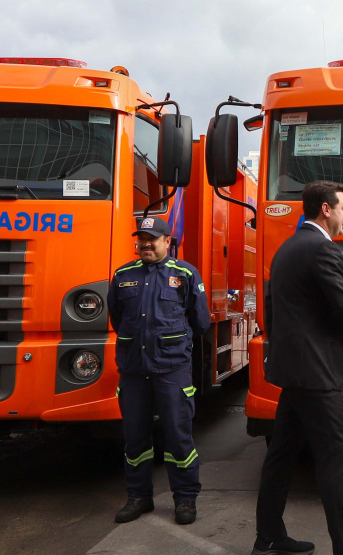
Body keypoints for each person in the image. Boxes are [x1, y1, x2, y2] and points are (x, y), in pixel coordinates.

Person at [252, 181, 343, 555]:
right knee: (335, 461)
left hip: (293, 370)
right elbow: (341, 302)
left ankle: (268, 538)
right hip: (316, 374)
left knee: (281, 457)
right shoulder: (322, 248)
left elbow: (273, 309)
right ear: (326, 209)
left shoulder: (288, 247)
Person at [107, 216, 210, 525]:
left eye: (153, 238)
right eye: (142, 238)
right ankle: (139, 497)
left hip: (172, 370)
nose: (146, 243)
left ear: (168, 241)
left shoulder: (185, 274)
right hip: (134, 371)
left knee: (178, 438)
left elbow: (200, 322)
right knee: (135, 439)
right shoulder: (122, 275)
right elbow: (116, 316)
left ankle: (185, 499)